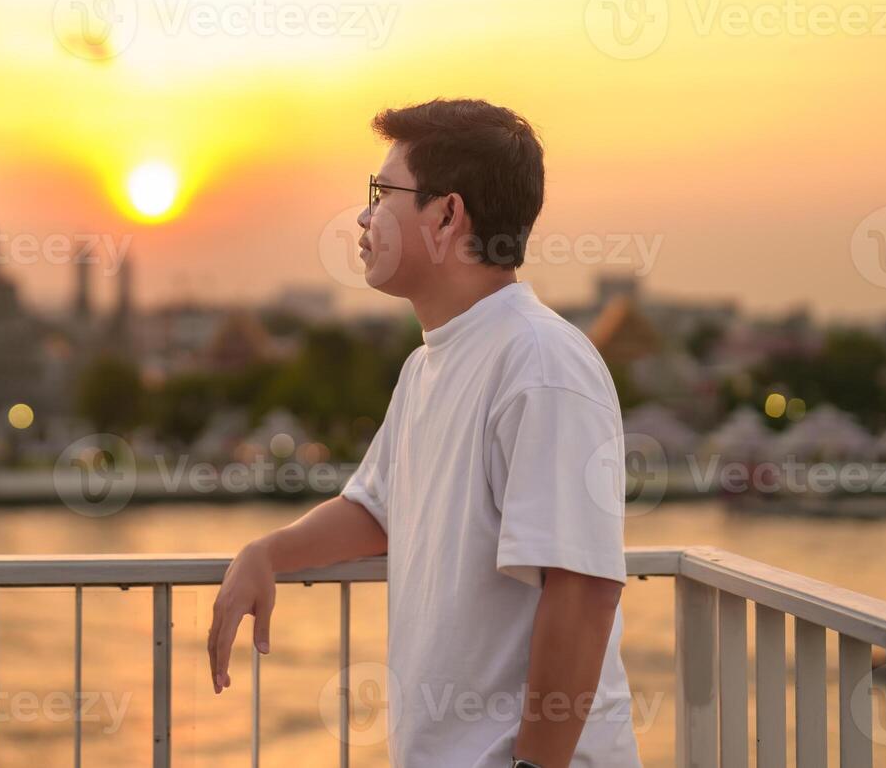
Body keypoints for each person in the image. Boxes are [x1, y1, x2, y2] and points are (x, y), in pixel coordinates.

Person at [207, 99, 639, 768]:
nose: (363, 216)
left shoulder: (541, 363)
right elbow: (377, 509)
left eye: (382, 194)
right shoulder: (426, 366)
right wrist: (268, 552)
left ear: (446, 215)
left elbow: (583, 590)